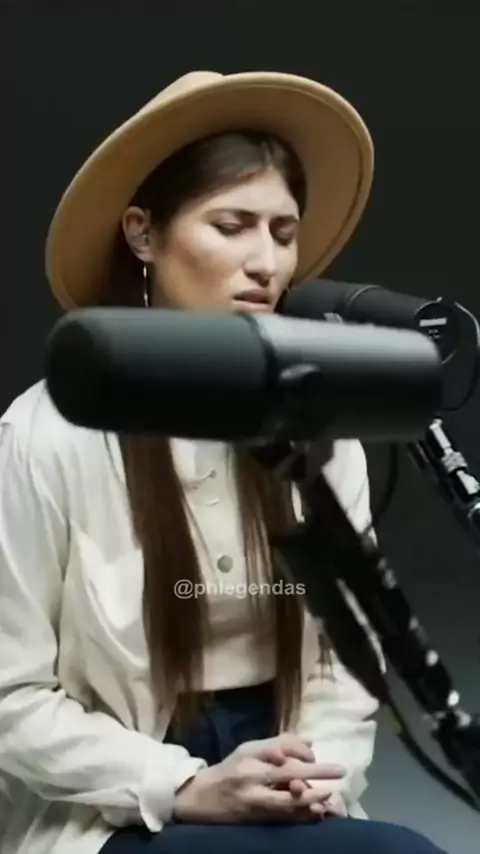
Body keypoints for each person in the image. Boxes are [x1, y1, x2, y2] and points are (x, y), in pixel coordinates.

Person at [0, 70, 448, 854]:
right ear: (143, 234)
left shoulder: (315, 426)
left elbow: (344, 656)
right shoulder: (46, 434)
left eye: (283, 231)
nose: (265, 261)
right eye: (232, 225)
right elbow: (11, 694)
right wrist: (182, 785)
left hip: (283, 778)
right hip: (117, 802)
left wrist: (314, 775)